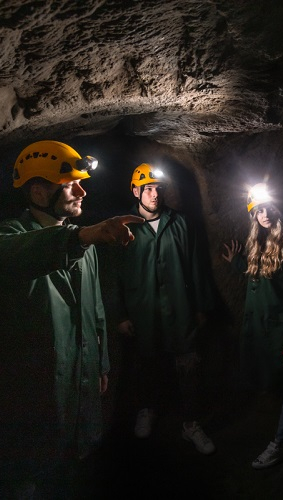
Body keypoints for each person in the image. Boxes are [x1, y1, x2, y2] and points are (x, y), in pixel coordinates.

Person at [0, 140, 143, 496]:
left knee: (75, 466)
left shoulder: (82, 245)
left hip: (81, 381)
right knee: (32, 471)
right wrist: (81, 237)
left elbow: (95, 310)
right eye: (70, 185)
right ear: (38, 191)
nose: (82, 191)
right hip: (35, 390)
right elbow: (17, 255)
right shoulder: (5, 237)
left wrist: (100, 364)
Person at [116, 163, 216, 455]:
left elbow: (196, 267)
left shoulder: (180, 223)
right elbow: (116, 274)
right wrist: (120, 314)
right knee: (146, 365)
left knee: (189, 368)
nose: (154, 194)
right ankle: (147, 410)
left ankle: (191, 424)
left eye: (157, 188)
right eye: (147, 188)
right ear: (135, 191)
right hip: (143, 313)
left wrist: (201, 307)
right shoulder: (124, 227)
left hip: (181, 312)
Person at [221, 183, 283, 469]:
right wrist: (239, 264)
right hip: (260, 328)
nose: (264, 214)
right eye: (258, 209)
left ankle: (279, 444)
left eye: (268, 208)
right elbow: (261, 279)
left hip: (282, 329)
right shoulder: (258, 242)